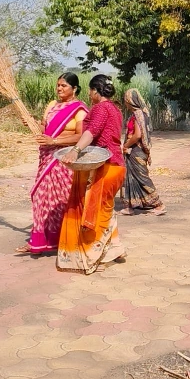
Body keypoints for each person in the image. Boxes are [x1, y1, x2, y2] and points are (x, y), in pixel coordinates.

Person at [57, 74, 126, 274]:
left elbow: (91, 131)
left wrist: (75, 151)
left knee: (92, 213)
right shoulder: (115, 108)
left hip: (106, 166)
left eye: (90, 90)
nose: (89, 94)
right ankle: (113, 250)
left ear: (96, 91)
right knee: (105, 210)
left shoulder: (101, 108)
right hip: (117, 166)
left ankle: (91, 257)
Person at [16, 73, 88, 255]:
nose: (59, 89)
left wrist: (54, 141)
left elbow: (81, 136)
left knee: (62, 200)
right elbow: (44, 129)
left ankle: (66, 238)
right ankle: (38, 241)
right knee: (41, 197)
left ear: (74, 88)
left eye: (63, 86)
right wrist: (31, 123)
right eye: (58, 85)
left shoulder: (79, 110)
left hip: (64, 159)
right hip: (47, 158)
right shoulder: (52, 105)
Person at [120, 88, 166, 216]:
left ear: (130, 101)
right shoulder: (137, 114)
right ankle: (130, 206)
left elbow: (137, 135)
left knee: (141, 178)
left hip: (136, 150)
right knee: (131, 178)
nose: (125, 103)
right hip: (132, 151)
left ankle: (159, 204)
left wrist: (126, 145)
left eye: (126, 100)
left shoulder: (138, 115)